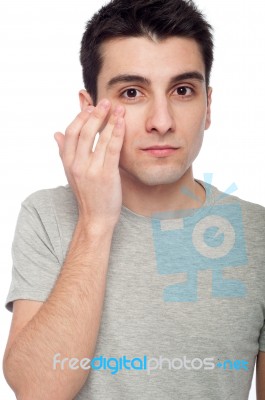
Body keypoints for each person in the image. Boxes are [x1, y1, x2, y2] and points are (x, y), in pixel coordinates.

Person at [2, 0, 265, 398]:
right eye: (131, 92)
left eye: (182, 90)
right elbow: (39, 390)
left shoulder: (258, 233)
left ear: (208, 106)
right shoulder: (47, 216)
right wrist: (95, 223)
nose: (162, 121)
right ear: (90, 110)